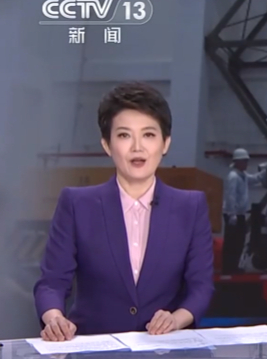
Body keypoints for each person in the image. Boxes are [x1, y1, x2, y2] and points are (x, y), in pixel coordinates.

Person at [34, 82, 215, 341]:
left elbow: (201, 287)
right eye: (124, 135)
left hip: (165, 349)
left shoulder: (191, 207)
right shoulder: (76, 204)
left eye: (149, 135)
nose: (137, 147)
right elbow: (51, 283)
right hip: (94, 351)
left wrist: (176, 319)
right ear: (107, 145)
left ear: (165, 143)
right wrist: (55, 320)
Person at [222, 148, 267, 273]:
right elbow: (231, 196)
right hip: (233, 215)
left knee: (239, 241)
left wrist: (266, 172)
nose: (246, 163)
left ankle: (234, 266)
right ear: (237, 162)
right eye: (245, 161)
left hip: (240, 214)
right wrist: (232, 214)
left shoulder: (242, 176)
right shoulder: (233, 177)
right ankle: (228, 268)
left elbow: (254, 179)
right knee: (232, 242)